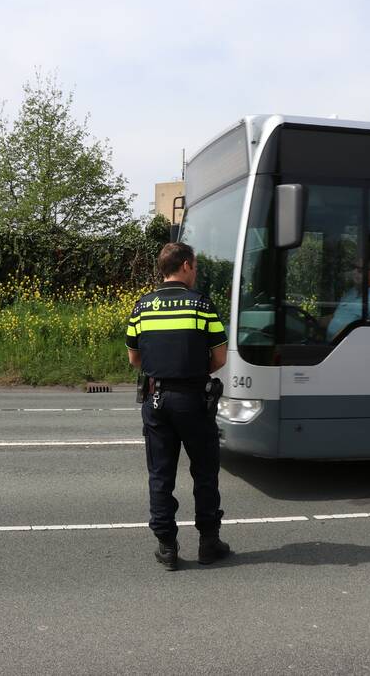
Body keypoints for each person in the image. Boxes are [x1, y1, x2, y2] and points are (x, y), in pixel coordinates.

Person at [126, 242, 230, 570]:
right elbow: (220, 357)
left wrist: (162, 371)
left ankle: (167, 548)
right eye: (195, 265)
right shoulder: (201, 305)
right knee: (204, 472)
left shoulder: (142, 307)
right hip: (193, 400)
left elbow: (134, 358)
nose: (196, 271)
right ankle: (209, 543)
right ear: (184, 265)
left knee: (160, 474)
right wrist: (192, 373)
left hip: (155, 399)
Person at [326, 258, 370, 340]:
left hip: (349, 347)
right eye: (353, 268)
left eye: (360, 270)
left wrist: (342, 335)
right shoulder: (351, 292)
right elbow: (338, 316)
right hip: (331, 345)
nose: (354, 272)